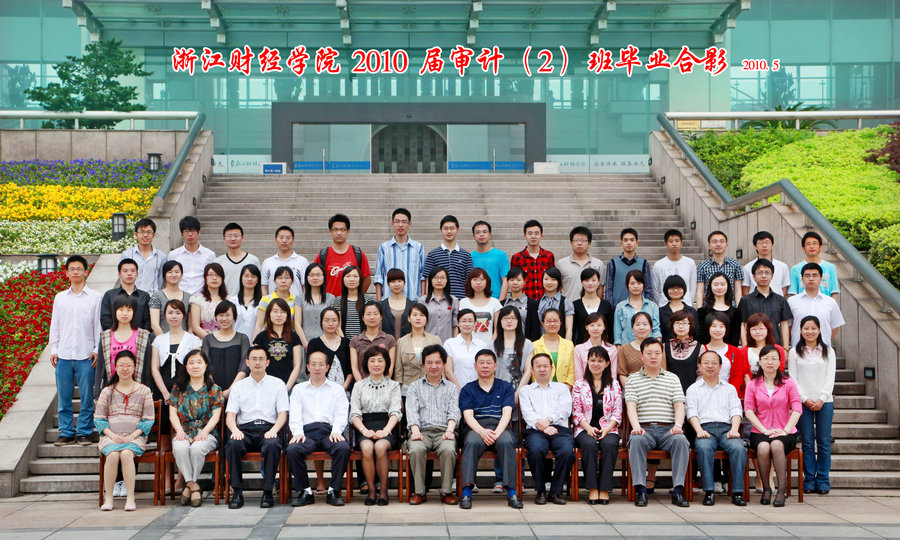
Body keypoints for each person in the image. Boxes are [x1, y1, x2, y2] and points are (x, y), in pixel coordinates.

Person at [624, 338, 691, 508]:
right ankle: (641, 490)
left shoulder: (672, 378)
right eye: (649, 353)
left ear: (662, 355)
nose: (653, 356)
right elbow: (631, 406)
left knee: (681, 440)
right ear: (641, 356)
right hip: (644, 429)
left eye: (657, 353)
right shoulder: (632, 379)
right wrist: (636, 427)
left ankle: (678, 490)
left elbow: (679, 405)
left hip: (667, 429)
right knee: (636, 440)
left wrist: (678, 425)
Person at [225, 346, 289, 509]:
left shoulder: (278, 384)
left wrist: (274, 430)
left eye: (261, 359)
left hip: (268, 428)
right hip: (244, 430)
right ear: (247, 362)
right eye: (254, 359)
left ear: (267, 362)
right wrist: (235, 430)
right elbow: (230, 415)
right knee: (232, 445)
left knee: (273, 444)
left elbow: (282, 414)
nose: (257, 362)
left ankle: (267, 492)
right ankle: (237, 492)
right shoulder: (239, 386)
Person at [458, 349, 523, 510]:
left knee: (507, 441)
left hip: (500, 427)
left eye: (489, 363)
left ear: (495, 366)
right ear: (475, 366)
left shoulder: (505, 387)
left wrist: (496, 433)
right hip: (476, 428)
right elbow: (468, 417)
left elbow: (507, 414)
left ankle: (512, 493)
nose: (485, 366)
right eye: (481, 363)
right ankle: (466, 492)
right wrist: (482, 432)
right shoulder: (468, 389)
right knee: (471, 442)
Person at [286, 350, 351, 507]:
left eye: (321, 364)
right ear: (308, 367)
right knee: (293, 450)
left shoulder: (337, 389)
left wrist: (336, 431)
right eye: (313, 364)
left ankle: (334, 491)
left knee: (342, 448)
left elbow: (341, 413)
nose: (317, 368)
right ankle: (305, 491)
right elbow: (295, 415)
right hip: (306, 433)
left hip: (329, 432)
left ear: (327, 367)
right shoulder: (299, 389)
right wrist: (298, 433)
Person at [49, 255, 101, 446]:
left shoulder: (95, 297)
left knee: (87, 396)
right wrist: (54, 349)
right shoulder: (60, 298)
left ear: (86, 272)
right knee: (64, 396)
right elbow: (55, 325)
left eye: (80, 268)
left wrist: (96, 349)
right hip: (63, 355)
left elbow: (98, 326)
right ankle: (66, 432)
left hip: (86, 355)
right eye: (72, 269)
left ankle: (85, 432)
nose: (76, 272)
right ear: (66, 273)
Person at [686, 350, 748, 507]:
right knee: (703, 448)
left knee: (738, 448)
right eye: (706, 362)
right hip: (705, 428)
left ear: (720, 367)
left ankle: (737, 493)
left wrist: (734, 430)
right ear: (700, 366)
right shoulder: (693, 389)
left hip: (727, 429)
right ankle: (709, 491)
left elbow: (736, 411)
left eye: (714, 363)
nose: (710, 366)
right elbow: (691, 412)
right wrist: (699, 431)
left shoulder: (729, 389)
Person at [95, 350, 155, 511]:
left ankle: (130, 498)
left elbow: (148, 419)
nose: (125, 369)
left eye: (128, 365)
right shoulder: (107, 391)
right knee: (113, 455)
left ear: (134, 367)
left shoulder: (144, 390)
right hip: (110, 437)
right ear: (115, 367)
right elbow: (99, 418)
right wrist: (112, 435)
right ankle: (109, 499)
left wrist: (132, 436)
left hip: (135, 437)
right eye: (121, 365)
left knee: (127, 454)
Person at [744, 345, 803, 507]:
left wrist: (785, 430)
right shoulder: (753, 384)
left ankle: (781, 490)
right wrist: (764, 430)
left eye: (773, 358)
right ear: (760, 362)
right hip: (760, 431)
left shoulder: (788, 383)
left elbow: (797, 408)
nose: (770, 362)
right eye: (766, 359)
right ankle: (766, 489)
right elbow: (748, 411)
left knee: (777, 445)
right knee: (763, 447)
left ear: (779, 362)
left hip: (786, 431)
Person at [406, 344, 461, 505]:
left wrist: (450, 431)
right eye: (429, 362)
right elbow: (411, 411)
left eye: (437, 362)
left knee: (448, 449)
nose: (434, 366)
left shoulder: (452, 388)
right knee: (416, 449)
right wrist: (415, 431)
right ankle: (419, 491)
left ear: (444, 364)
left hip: (444, 431)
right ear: (423, 364)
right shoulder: (414, 387)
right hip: (421, 431)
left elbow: (454, 412)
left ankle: (446, 491)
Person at [169, 349, 223, 507]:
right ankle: (194, 486)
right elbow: (172, 414)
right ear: (186, 367)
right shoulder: (178, 388)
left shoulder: (215, 389)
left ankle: (189, 486)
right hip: (183, 429)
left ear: (206, 365)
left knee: (197, 449)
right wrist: (179, 431)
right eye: (191, 363)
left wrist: (205, 431)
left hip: (207, 431)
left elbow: (216, 416)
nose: (195, 366)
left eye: (199, 362)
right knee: (180, 448)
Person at [788, 316, 836, 495]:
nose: (810, 331)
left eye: (813, 328)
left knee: (823, 442)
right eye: (806, 328)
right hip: (803, 402)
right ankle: (809, 479)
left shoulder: (828, 351)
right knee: (807, 442)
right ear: (800, 331)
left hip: (825, 402)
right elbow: (793, 378)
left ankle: (822, 480)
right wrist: (804, 398)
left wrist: (822, 398)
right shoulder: (794, 352)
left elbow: (830, 377)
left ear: (819, 330)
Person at [520, 353, 576, 505]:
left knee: (567, 452)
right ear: (532, 369)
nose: (542, 369)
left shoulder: (562, 388)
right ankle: (541, 490)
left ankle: (555, 492)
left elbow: (565, 410)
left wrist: (549, 420)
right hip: (535, 430)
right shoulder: (526, 390)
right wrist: (544, 427)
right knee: (536, 449)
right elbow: (528, 414)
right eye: (538, 366)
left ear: (552, 368)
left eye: (545, 366)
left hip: (559, 430)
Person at [350, 347, 402, 506]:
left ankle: (384, 490)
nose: (376, 364)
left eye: (380, 360)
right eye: (372, 360)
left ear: (386, 363)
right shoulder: (359, 385)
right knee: (366, 448)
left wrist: (386, 430)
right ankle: (371, 490)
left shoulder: (393, 385)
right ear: (366, 364)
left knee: (380, 447)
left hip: (387, 427)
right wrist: (364, 430)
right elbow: (354, 413)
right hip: (364, 427)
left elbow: (396, 412)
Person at [572, 346, 622, 504]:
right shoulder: (579, 384)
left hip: (609, 428)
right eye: (592, 360)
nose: (596, 364)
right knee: (589, 444)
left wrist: (608, 429)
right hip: (584, 428)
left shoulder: (614, 385)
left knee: (609, 444)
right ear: (587, 362)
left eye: (600, 361)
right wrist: (588, 428)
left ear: (607, 363)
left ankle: (605, 488)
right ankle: (592, 488)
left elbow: (617, 412)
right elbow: (576, 412)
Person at [94, 295, 154, 399]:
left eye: (129, 310)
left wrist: (148, 392)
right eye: (121, 309)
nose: (125, 313)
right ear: (115, 311)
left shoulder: (143, 336)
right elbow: (100, 367)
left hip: (137, 392)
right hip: (111, 392)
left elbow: (147, 368)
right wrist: (97, 394)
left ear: (134, 312)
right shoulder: (105, 336)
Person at [150, 300, 202, 403]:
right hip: (163, 393)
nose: (174, 316)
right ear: (165, 315)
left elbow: (196, 367)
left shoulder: (194, 340)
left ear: (183, 315)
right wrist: (165, 393)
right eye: (170, 313)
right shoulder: (158, 340)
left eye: (178, 313)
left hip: (187, 393)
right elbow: (154, 369)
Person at [787, 263, 845, 347]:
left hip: (823, 351)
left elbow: (835, 328)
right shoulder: (791, 301)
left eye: (815, 275)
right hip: (798, 350)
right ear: (802, 279)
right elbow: (788, 327)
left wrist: (823, 343)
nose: (811, 278)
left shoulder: (830, 302)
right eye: (807, 275)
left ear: (821, 279)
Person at [201, 301, 250, 400]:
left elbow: (244, 366)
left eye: (227, 315)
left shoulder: (242, 338)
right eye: (220, 315)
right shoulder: (208, 339)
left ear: (235, 317)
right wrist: (214, 389)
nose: (224, 319)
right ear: (216, 317)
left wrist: (231, 390)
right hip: (212, 393)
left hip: (238, 391)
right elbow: (205, 365)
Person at [374, 208, 426, 301]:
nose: (400, 225)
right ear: (392, 224)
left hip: (412, 300)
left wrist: (422, 300)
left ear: (409, 224)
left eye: (404, 222)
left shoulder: (418, 248)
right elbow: (378, 276)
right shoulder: (384, 248)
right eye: (397, 221)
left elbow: (423, 276)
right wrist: (379, 302)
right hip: (389, 301)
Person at [738, 258, 792, 346]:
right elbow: (742, 325)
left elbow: (784, 324)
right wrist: (745, 347)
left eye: (767, 272)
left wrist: (785, 348)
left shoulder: (781, 300)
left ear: (772, 276)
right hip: (753, 347)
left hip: (775, 346)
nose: (763, 276)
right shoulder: (746, 300)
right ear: (753, 276)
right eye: (760, 273)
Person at [315, 213, 371, 297]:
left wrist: (357, 297)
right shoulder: (323, 255)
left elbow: (367, 279)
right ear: (330, 231)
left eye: (342, 229)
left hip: (350, 302)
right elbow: (315, 278)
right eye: (335, 229)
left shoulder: (358, 253)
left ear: (348, 231)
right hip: (329, 302)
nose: (339, 233)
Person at [253, 298, 302, 392]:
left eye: (283, 312)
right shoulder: (261, 337)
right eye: (275, 311)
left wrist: (286, 388)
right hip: (264, 386)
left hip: (287, 385)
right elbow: (256, 363)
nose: (279, 315)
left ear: (288, 315)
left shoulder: (294, 337)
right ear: (269, 314)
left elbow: (297, 366)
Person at [700, 311, 751, 399]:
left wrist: (728, 395)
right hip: (705, 396)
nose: (718, 330)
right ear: (708, 328)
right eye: (714, 326)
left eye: (721, 326)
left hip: (730, 397)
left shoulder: (735, 351)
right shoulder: (701, 350)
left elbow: (738, 377)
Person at [422, 215, 474, 300]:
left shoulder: (466, 255)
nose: (449, 231)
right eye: (445, 228)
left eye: (452, 228)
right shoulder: (432, 254)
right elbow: (428, 279)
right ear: (441, 230)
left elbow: (469, 280)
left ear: (457, 229)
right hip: (439, 302)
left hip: (461, 300)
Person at [394, 303, 442, 391]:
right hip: (407, 388)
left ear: (427, 319)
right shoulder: (401, 341)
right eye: (415, 315)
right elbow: (398, 370)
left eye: (422, 315)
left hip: (431, 387)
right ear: (409, 318)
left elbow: (441, 367)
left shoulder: (435, 340)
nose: (418, 318)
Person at [306, 308, 353, 394]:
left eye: (334, 320)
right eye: (326, 320)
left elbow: (350, 370)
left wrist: (343, 389)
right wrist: (323, 388)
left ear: (339, 322)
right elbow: (309, 370)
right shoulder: (314, 343)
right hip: (321, 391)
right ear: (321, 322)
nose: (330, 324)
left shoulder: (346, 342)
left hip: (343, 391)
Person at [605, 228, 654, 308]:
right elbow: (608, 290)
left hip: (640, 309)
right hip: (618, 309)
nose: (629, 243)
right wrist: (611, 308)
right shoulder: (612, 264)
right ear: (621, 243)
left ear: (637, 243)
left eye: (632, 240)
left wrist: (646, 307)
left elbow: (649, 289)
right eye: (626, 240)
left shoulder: (644, 264)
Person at [167, 216, 215, 295]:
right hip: (179, 297)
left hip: (201, 297)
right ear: (181, 234)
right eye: (186, 231)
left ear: (199, 232)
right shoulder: (173, 255)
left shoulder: (209, 255)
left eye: (193, 231)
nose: (190, 234)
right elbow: (168, 278)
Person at [349, 301, 397, 381]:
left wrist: (382, 384)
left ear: (381, 316)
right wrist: (362, 385)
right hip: (361, 384)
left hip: (384, 385)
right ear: (363, 317)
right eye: (368, 314)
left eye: (375, 314)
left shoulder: (389, 339)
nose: (372, 317)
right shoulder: (355, 340)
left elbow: (390, 367)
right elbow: (354, 368)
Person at [100, 258, 151, 331]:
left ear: (137, 274)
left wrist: (140, 334)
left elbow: (148, 321)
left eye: (132, 271)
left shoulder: (144, 296)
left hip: (139, 336)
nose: (129, 273)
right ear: (119, 274)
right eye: (125, 271)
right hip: (115, 336)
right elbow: (105, 319)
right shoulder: (110, 295)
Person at [510, 219, 555, 301]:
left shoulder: (549, 256)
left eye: (536, 233)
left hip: (545, 300)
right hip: (524, 302)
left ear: (541, 236)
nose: (533, 236)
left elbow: (553, 278)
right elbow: (513, 281)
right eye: (530, 233)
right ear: (525, 236)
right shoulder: (517, 258)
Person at [557, 226, 606, 302]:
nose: (579, 243)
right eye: (576, 240)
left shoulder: (598, 264)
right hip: (568, 306)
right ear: (571, 243)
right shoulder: (561, 264)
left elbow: (600, 288)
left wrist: (598, 305)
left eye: (583, 240)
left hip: (591, 306)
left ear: (589, 243)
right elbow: (558, 288)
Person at [493, 305, 534, 394]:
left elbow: (528, 371)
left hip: (520, 392)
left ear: (518, 321)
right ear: (500, 321)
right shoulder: (492, 345)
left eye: (512, 318)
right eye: (505, 318)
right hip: (497, 392)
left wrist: (518, 393)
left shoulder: (527, 344)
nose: (509, 321)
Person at [696, 230, 743, 307]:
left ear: (726, 245)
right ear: (709, 245)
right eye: (714, 242)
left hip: (730, 307)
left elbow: (738, 290)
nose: (718, 244)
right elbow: (700, 291)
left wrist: (739, 309)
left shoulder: (735, 264)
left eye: (721, 241)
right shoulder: (703, 266)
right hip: (709, 307)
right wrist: (699, 310)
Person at [613, 270, 661, 345]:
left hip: (648, 348)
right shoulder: (620, 307)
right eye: (632, 283)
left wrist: (657, 345)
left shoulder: (652, 306)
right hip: (627, 347)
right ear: (627, 285)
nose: (636, 286)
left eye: (639, 283)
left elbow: (656, 330)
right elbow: (617, 333)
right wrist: (619, 347)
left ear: (643, 285)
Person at [651, 229, 697, 306]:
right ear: (665, 244)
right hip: (665, 307)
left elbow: (693, 287)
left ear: (681, 243)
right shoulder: (658, 265)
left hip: (685, 307)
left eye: (677, 241)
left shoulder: (690, 263)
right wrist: (663, 305)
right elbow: (655, 289)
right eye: (671, 241)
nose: (674, 244)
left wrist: (688, 305)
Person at [532, 309, 575, 389]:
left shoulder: (569, 345)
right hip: (541, 390)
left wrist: (565, 388)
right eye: (549, 321)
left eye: (555, 321)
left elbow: (571, 371)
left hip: (565, 390)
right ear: (543, 323)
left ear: (560, 323)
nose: (552, 324)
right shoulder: (534, 346)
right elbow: (533, 372)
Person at [120, 218, 166, 294]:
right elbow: (122, 277)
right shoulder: (127, 254)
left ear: (154, 235)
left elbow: (162, 280)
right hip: (131, 297)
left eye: (149, 232)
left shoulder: (161, 256)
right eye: (142, 232)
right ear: (136, 234)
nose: (145, 235)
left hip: (153, 298)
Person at [261, 225, 308, 297]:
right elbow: (264, 286)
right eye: (281, 237)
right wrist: (267, 302)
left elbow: (305, 286)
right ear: (275, 240)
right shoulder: (267, 262)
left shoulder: (302, 262)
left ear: (293, 241)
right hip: (273, 303)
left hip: (296, 303)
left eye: (288, 238)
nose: (284, 241)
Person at [297, 263, 335, 352]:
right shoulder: (300, 298)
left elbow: (333, 322)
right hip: (305, 342)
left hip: (326, 342)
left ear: (324, 277)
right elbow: (297, 323)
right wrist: (305, 343)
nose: (315, 278)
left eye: (318, 275)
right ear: (306, 277)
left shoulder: (330, 298)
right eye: (311, 275)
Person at [789, 232, 840, 298]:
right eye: (808, 244)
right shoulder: (795, 269)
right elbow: (793, 293)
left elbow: (834, 292)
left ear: (820, 247)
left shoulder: (830, 267)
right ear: (803, 248)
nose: (812, 246)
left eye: (815, 243)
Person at [459, 268, 503, 345]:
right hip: (468, 344)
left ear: (487, 282)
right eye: (475, 279)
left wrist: (492, 343)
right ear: (469, 282)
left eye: (482, 279)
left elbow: (498, 328)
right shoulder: (463, 302)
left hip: (488, 345)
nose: (478, 282)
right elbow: (460, 326)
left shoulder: (495, 302)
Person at [444, 309, 486, 388]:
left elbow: (484, 370)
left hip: (477, 390)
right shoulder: (450, 344)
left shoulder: (482, 345)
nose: (467, 324)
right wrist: (459, 389)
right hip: (455, 390)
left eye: (470, 321)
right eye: (463, 321)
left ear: (475, 323)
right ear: (458, 323)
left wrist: (474, 390)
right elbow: (448, 371)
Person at [696, 272, 741, 346]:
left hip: (729, 351)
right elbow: (700, 337)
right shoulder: (702, 311)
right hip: (707, 351)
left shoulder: (735, 312)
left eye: (722, 284)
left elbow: (735, 337)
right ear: (710, 287)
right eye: (716, 284)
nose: (719, 287)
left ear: (728, 286)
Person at [215, 222, 260, 296]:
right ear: (224, 239)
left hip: (247, 301)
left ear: (242, 238)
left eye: (236, 236)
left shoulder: (253, 260)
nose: (233, 239)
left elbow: (258, 284)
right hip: (225, 301)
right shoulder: (218, 262)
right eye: (229, 236)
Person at [571, 267, 613, 345]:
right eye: (587, 280)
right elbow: (572, 330)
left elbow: (611, 331)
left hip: (602, 348)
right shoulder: (575, 305)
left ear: (598, 282)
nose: (590, 283)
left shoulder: (606, 305)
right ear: (582, 282)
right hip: (581, 347)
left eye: (593, 280)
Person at [149, 260, 191, 337]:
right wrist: (164, 341)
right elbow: (154, 324)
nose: (174, 275)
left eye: (177, 272)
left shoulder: (189, 297)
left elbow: (191, 327)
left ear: (182, 275)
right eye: (170, 272)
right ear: (164, 275)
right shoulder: (157, 296)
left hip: (184, 341)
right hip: (161, 340)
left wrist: (186, 341)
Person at [255, 265, 300, 337]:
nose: (283, 281)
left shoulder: (297, 301)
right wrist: (254, 342)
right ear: (275, 281)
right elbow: (259, 325)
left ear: (292, 281)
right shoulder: (266, 300)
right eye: (280, 278)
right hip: (268, 339)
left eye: (287, 278)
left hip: (290, 339)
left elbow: (298, 325)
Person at [739, 313, 787, 378]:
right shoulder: (743, 351)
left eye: (761, 328)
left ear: (768, 329)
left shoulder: (778, 349)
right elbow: (744, 373)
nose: (757, 332)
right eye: (754, 329)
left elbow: (780, 369)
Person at [742, 231, 790, 297]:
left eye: (767, 242)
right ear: (755, 246)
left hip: (777, 302)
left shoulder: (783, 266)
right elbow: (745, 290)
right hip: (755, 302)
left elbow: (784, 289)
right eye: (760, 243)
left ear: (772, 245)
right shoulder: (747, 267)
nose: (764, 245)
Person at [664, 310, 701, 395]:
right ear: (672, 325)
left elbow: (701, 374)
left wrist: (694, 391)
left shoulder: (699, 347)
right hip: (670, 393)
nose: (680, 326)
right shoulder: (664, 346)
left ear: (690, 325)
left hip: (692, 394)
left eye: (684, 323)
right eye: (677, 323)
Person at [574, 312, 618, 383]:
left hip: (606, 387)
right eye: (592, 325)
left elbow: (613, 375)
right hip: (584, 387)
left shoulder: (612, 349)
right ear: (586, 327)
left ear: (604, 327)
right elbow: (578, 376)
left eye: (599, 325)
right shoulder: (579, 349)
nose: (595, 328)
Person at [471, 220, 510, 300]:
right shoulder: (469, 257)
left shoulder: (500, 255)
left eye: (484, 232)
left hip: (495, 300)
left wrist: (500, 302)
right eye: (478, 232)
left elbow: (505, 280)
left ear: (490, 235)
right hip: (475, 301)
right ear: (474, 236)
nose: (481, 234)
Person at [332, 265, 374, 339]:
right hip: (344, 342)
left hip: (366, 341)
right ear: (343, 279)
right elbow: (337, 326)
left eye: (355, 276)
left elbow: (373, 323)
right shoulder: (338, 301)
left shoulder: (368, 300)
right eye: (348, 276)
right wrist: (345, 342)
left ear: (360, 279)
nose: (351, 279)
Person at [617, 312, 657, 388]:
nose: (641, 327)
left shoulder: (659, 348)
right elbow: (622, 374)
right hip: (631, 389)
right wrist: (632, 391)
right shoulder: (623, 349)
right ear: (632, 328)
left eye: (645, 324)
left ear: (651, 327)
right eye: (637, 324)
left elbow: (663, 371)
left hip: (655, 389)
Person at [419, 266, 459, 342]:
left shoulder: (454, 300)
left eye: (442, 278)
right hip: (428, 343)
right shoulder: (423, 301)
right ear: (430, 280)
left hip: (447, 343)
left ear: (447, 280)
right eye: (436, 278)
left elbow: (455, 325)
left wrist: (454, 343)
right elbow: (420, 325)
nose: (439, 280)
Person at [189, 262, 228, 340]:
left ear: (222, 279)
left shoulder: (228, 300)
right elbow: (195, 327)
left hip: (225, 339)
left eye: (218, 275)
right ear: (205, 278)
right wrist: (212, 341)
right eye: (210, 275)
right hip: (203, 340)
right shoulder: (197, 299)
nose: (214, 278)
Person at [502, 266, 542, 341]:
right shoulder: (502, 304)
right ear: (507, 282)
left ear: (524, 281)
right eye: (511, 280)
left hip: (525, 344)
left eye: (518, 280)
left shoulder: (532, 304)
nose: (515, 283)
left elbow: (535, 330)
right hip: (505, 343)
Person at [537, 267, 574, 341]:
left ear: (558, 282)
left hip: (560, 344)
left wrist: (567, 345)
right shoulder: (538, 302)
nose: (549, 282)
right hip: (541, 344)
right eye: (546, 279)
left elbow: (569, 329)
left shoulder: (566, 302)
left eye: (553, 279)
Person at [658, 275, 699, 342]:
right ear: (666, 290)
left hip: (689, 347)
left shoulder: (692, 311)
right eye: (672, 288)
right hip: (667, 347)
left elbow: (696, 333)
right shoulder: (660, 312)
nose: (676, 290)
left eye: (679, 288)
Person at [379, 269, 414, 341]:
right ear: (388, 284)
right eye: (393, 281)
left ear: (404, 283)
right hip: (386, 345)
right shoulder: (381, 305)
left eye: (399, 281)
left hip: (408, 345)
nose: (396, 284)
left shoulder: (412, 305)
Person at [229, 264, 262, 341]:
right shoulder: (232, 301)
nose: (249, 279)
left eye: (253, 276)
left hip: (256, 344)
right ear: (241, 278)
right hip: (235, 343)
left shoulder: (263, 302)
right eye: (246, 276)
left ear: (258, 280)